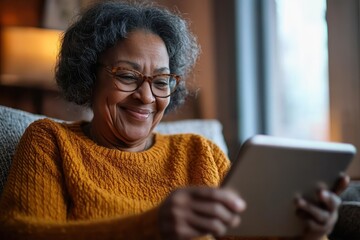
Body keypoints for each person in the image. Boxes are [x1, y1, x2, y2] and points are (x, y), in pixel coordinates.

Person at [0, 1, 349, 240]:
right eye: (127, 76)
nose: (147, 96)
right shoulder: (50, 142)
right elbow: (22, 233)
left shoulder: (201, 152)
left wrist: (310, 230)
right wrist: (150, 227)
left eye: (161, 80)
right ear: (90, 77)